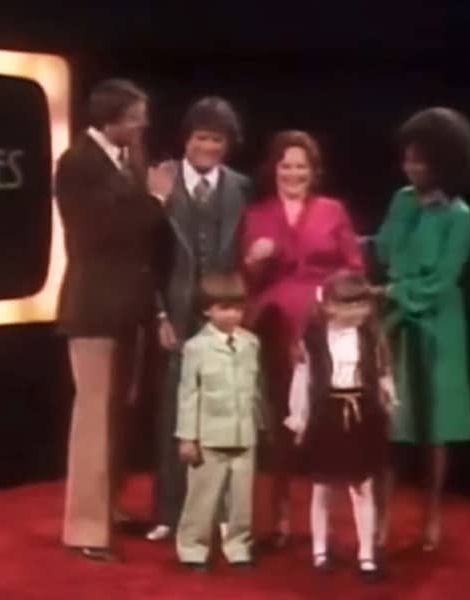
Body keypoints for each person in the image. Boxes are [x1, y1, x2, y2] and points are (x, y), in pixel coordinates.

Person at [55, 78, 176, 562]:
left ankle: (107, 506)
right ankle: (85, 529)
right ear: (111, 119)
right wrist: (156, 198)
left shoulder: (129, 158)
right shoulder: (79, 163)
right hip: (94, 306)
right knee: (94, 416)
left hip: (129, 307)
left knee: (118, 414)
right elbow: (100, 231)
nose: (143, 123)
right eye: (135, 115)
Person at [240, 130, 363, 548]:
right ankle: (278, 518)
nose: (293, 173)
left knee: (324, 424)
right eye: (286, 165)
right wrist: (253, 261)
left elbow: (354, 268)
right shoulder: (257, 214)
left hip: (323, 326)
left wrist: (328, 298)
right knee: (279, 424)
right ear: (274, 169)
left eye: (301, 167)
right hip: (274, 327)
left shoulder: (333, 211)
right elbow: (243, 281)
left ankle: (324, 526)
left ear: (313, 172)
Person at [373, 107, 470, 552]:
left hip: (436, 324)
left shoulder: (460, 215)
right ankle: (379, 518)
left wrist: (394, 292)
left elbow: (442, 279)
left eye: (421, 161)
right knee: (390, 426)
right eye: (408, 160)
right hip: (395, 318)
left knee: (434, 425)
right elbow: (382, 247)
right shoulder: (402, 200)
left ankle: (432, 514)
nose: (411, 168)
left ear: (445, 163)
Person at [146, 96, 253, 542]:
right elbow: (144, 256)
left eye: (217, 139)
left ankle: (224, 513)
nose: (208, 146)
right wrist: (158, 314)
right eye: (201, 137)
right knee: (176, 414)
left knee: (224, 416)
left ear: (227, 145)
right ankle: (170, 513)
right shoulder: (161, 182)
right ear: (186, 139)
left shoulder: (241, 187)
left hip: (224, 315)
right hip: (175, 313)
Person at [284, 271, 396, 581]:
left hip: (362, 416)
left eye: (364, 304)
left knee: (363, 487)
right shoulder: (314, 340)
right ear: (330, 306)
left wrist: (388, 402)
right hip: (327, 415)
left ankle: (366, 554)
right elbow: (302, 380)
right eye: (351, 304)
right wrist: (300, 419)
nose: (359, 311)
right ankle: (320, 549)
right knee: (323, 488)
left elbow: (383, 374)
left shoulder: (371, 337)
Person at [174, 272, 264, 571]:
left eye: (238, 308)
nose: (232, 315)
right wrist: (187, 437)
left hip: (244, 434)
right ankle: (193, 548)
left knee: (241, 500)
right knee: (202, 497)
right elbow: (188, 394)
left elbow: (257, 390)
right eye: (224, 308)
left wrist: (262, 425)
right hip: (209, 436)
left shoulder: (251, 343)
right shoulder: (196, 348)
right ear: (207, 310)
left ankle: (238, 546)